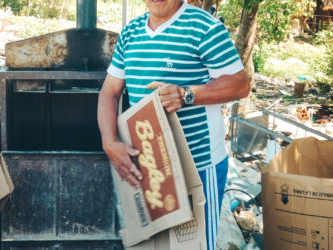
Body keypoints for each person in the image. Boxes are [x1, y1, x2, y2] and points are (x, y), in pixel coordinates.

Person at [97, 0, 250, 249]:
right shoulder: (130, 33)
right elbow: (109, 93)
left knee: (194, 245)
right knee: (154, 245)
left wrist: (187, 94)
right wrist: (109, 142)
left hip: (198, 166)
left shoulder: (205, 27)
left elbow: (241, 84)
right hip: (150, 165)